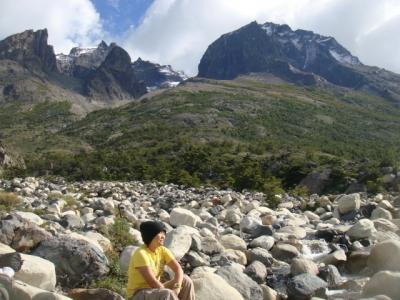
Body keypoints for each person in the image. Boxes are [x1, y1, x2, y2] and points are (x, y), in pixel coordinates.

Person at [127, 221, 195, 300]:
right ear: (151, 236)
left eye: (164, 233)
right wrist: (172, 294)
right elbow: (153, 283)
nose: (163, 236)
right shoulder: (141, 254)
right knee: (167, 293)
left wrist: (177, 288)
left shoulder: (162, 250)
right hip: (138, 294)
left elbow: (178, 269)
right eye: (160, 233)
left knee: (186, 280)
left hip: (154, 291)